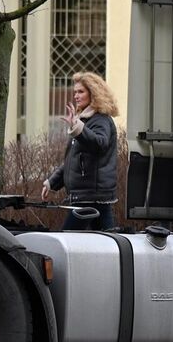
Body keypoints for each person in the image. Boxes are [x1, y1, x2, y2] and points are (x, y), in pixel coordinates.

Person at [41, 72, 120, 231]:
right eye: (75, 92)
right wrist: (52, 182)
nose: (76, 96)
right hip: (91, 196)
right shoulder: (85, 120)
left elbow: (100, 144)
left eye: (81, 92)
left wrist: (77, 128)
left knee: (68, 236)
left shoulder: (100, 119)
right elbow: (74, 160)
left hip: (90, 196)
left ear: (94, 94)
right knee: (108, 241)